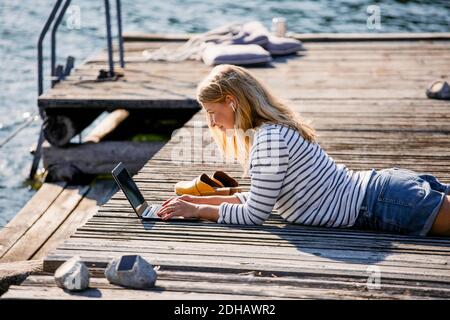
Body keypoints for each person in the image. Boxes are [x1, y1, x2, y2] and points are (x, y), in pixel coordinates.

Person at [157, 64, 450, 237]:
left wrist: (197, 210)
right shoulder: (271, 130)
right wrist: (203, 200)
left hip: (383, 203)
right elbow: (262, 199)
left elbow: (254, 215)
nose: (211, 122)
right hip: (384, 192)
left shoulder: (268, 140)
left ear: (232, 101)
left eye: (211, 112)